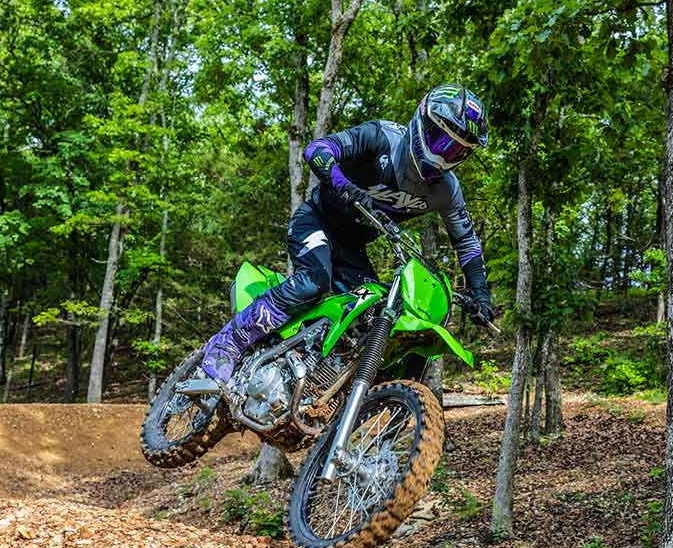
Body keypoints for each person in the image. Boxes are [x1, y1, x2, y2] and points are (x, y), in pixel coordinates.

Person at [201, 84, 494, 386]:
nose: (443, 156)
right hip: (317, 221)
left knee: (374, 314)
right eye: (439, 140)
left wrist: (480, 294)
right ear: (422, 121)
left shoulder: (447, 190)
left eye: (456, 150)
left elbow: (467, 241)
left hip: (353, 248)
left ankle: (315, 384)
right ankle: (228, 343)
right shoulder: (381, 137)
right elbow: (318, 149)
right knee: (313, 281)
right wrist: (342, 184)